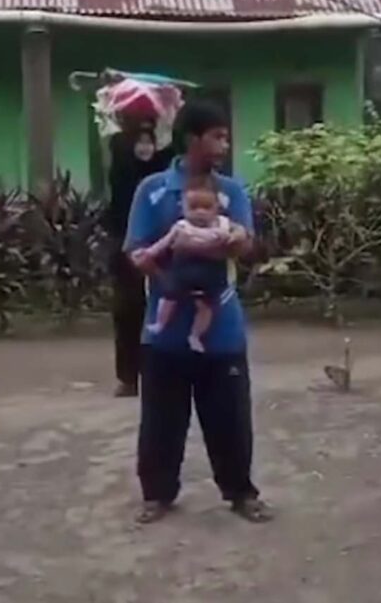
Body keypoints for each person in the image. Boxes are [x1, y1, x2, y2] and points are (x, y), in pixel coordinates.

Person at [124, 99, 272, 524]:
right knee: (160, 420)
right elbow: (136, 250)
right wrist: (163, 275)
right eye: (217, 137)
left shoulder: (232, 191)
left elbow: (246, 246)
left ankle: (241, 493)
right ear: (193, 139)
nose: (225, 145)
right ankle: (157, 495)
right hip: (165, 330)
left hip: (222, 328)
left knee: (230, 417)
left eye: (226, 137)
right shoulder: (152, 190)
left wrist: (235, 241)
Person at [137, 175, 246, 353]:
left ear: (217, 207)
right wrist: (148, 252)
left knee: (206, 308)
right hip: (183, 273)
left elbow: (240, 233)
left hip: (210, 276)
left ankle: (195, 335)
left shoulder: (223, 223)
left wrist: (235, 236)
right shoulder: (181, 226)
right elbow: (163, 243)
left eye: (207, 207)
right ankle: (160, 323)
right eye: (194, 207)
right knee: (169, 298)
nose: (200, 212)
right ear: (183, 207)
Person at [107, 116, 172, 397]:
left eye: (150, 141)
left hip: (161, 242)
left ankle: (162, 373)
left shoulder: (162, 168)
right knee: (127, 309)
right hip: (126, 244)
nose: (145, 147)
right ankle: (129, 376)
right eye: (140, 141)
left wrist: (167, 118)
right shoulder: (122, 165)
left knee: (165, 308)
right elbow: (116, 145)